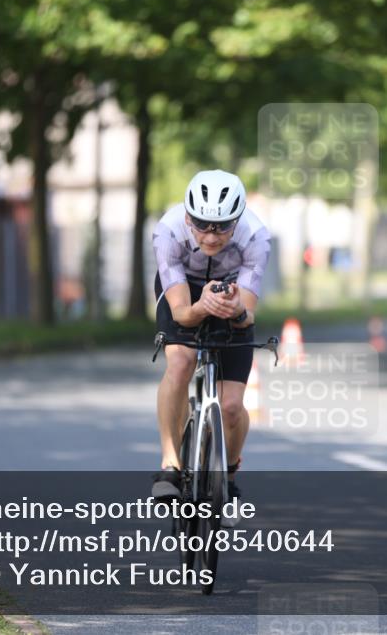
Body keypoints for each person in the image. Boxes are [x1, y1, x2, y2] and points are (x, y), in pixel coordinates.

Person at [150, 169, 271, 516]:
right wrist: (201, 306)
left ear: (238, 219)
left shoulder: (256, 237)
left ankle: (229, 475)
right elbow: (182, 313)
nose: (211, 235)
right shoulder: (169, 232)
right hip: (183, 293)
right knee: (181, 363)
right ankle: (170, 463)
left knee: (232, 406)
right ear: (188, 216)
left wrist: (235, 311)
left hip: (232, 293)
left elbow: (248, 315)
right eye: (201, 224)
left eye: (222, 226)